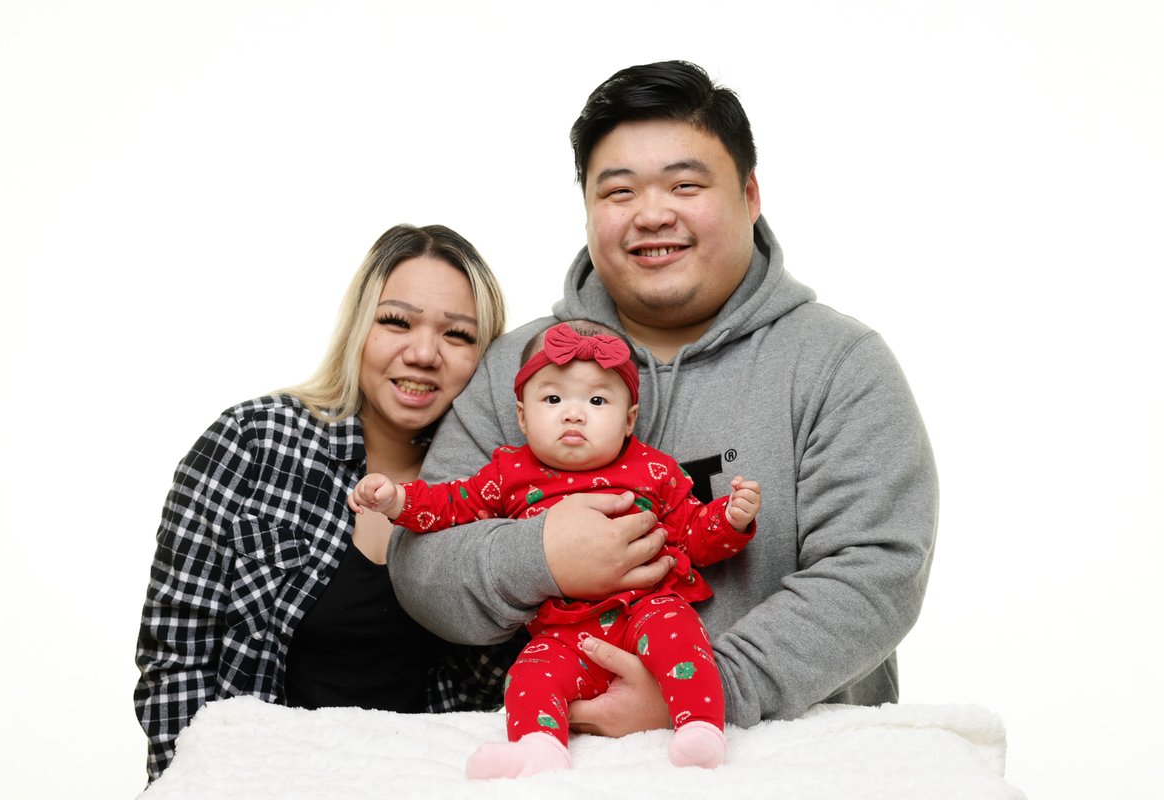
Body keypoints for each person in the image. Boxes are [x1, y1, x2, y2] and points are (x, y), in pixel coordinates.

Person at [387, 61, 938, 744]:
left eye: (685, 185)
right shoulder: (522, 367)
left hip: (788, 764)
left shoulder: (838, 362)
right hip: (566, 767)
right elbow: (421, 566)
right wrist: (539, 554)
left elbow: (876, 574)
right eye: (619, 191)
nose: (652, 215)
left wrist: (708, 688)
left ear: (750, 194)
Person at [134, 223, 510, 783]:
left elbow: (498, 693)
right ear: (359, 327)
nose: (423, 353)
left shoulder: (494, 488)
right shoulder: (252, 442)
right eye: (396, 321)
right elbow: (174, 661)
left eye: (458, 334)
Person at [351, 320, 761, 776]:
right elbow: (452, 504)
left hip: (647, 609)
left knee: (681, 636)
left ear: (629, 419)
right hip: (566, 632)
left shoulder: (656, 470)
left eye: (597, 401)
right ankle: (539, 748)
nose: (574, 414)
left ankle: (700, 728)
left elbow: (693, 536)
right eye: (552, 400)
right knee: (527, 673)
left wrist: (730, 518)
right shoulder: (508, 473)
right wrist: (398, 500)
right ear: (522, 416)